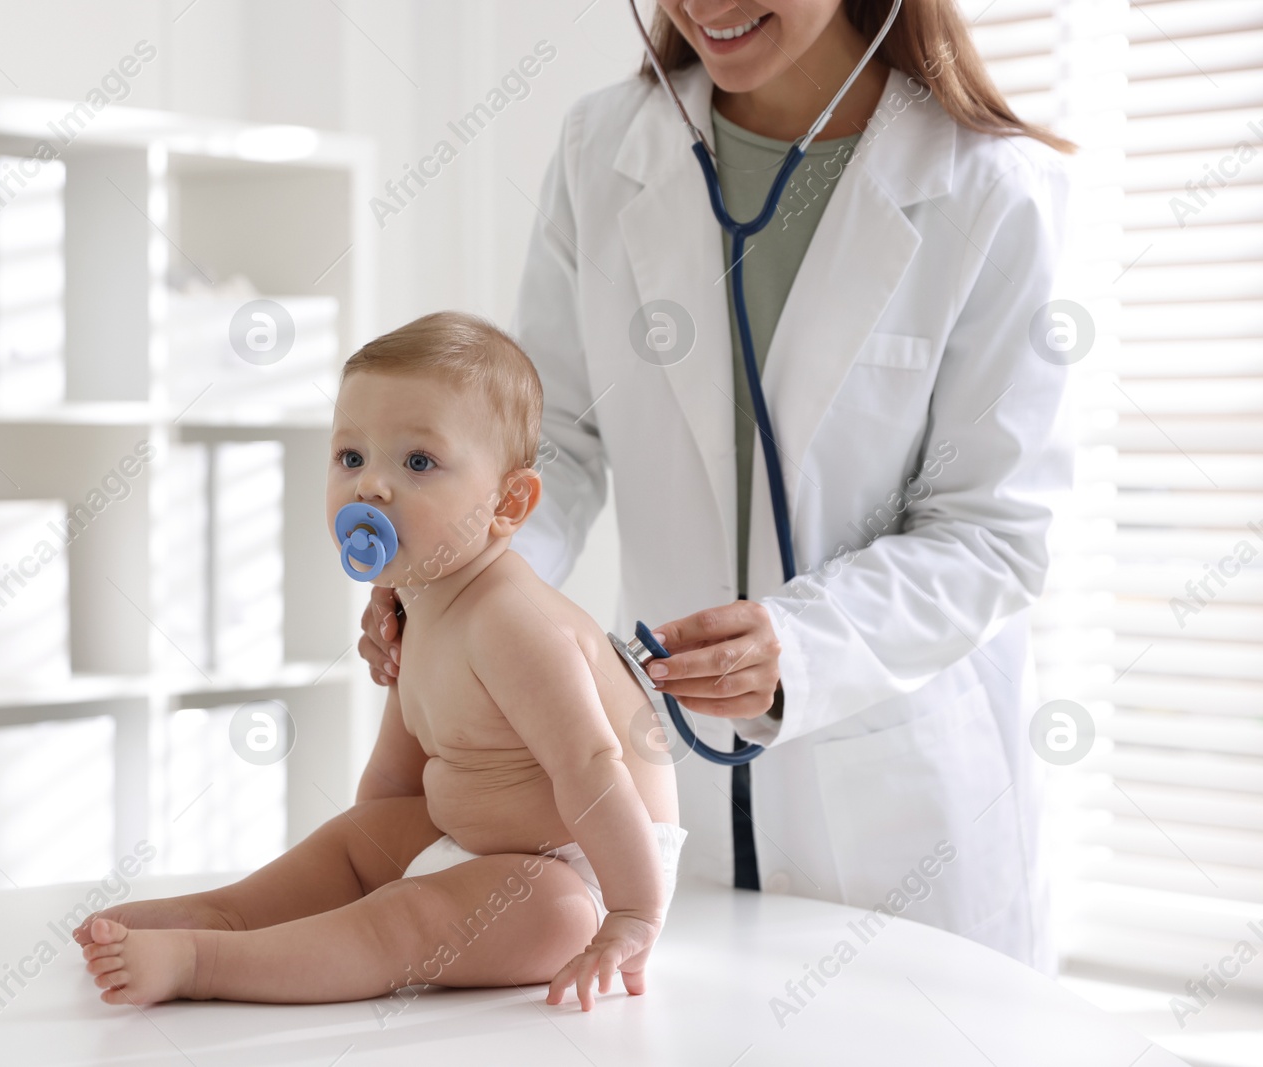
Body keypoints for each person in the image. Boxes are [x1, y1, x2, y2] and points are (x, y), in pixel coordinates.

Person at [360, 0, 1075, 970]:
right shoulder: (603, 148)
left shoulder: (990, 187)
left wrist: (805, 644)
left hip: (892, 806)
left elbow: (990, 529)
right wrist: (458, 582)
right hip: (651, 791)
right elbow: (548, 445)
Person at [76, 312, 686, 1011]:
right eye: (351, 457)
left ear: (508, 503)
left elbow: (592, 768)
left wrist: (634, 914)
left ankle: (204, 959)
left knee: (434, 921)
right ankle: (226, 912)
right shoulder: (419, 603)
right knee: (352, 837)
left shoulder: (511, 621)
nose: (371, 488)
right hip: (476, 845)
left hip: (587, 869)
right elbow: (396, 781)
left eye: (418, 463)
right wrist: (365, 865)